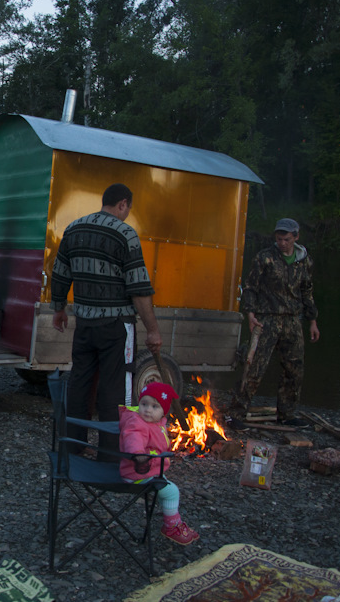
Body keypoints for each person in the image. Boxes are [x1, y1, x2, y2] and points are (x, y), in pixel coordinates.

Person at [51, 183, 163, 457]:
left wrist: (59, 308)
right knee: (117, 389)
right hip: (116, 327)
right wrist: (153, 330)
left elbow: (60, 272)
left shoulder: (74, 228)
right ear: (123, 204)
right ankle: (112, 455)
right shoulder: (125, 234)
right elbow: (138, 289)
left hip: (85, 324)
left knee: (80, 383)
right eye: (128, 209)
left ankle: (72, 450)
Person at [229, 218, 320, 431]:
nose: (282, 243)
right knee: (254, 366)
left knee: (294, 369)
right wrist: (250, 314)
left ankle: (287, 414)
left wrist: (313, 321)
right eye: (279, 239)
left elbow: (307, 290)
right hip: (266, 319)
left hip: (292, 320)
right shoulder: (265, 258)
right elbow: (250, 287)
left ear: (296, 237)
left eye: (287, 239)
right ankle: (236, 413)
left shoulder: (304, 261)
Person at [119, 382, 199, 545]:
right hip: (137, 472)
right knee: (172, 492)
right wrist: (138, 455)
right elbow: (133, 439)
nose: (148, 409)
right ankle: (171, 526)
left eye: (155, 406)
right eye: (144, 404)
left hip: (150, 470)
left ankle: (172, 518)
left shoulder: (157, 423)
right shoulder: (137, 423)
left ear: (164, 412)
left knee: (165, 488)